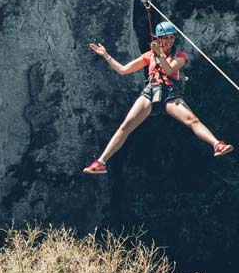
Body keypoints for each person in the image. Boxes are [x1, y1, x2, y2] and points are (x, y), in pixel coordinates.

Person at [83, 21, 231, 174]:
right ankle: (101, 162)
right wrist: (106, 55)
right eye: (165, 38)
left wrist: (159, 54)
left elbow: (169, 70)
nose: (169, 41)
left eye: (171, 38)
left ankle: (217, 144)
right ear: (158, 39)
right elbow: (123, 70)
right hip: (150, 92)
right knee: (126, 126)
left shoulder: (180, 56)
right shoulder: (149, 56)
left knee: (191, 120)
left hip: (170, 92)